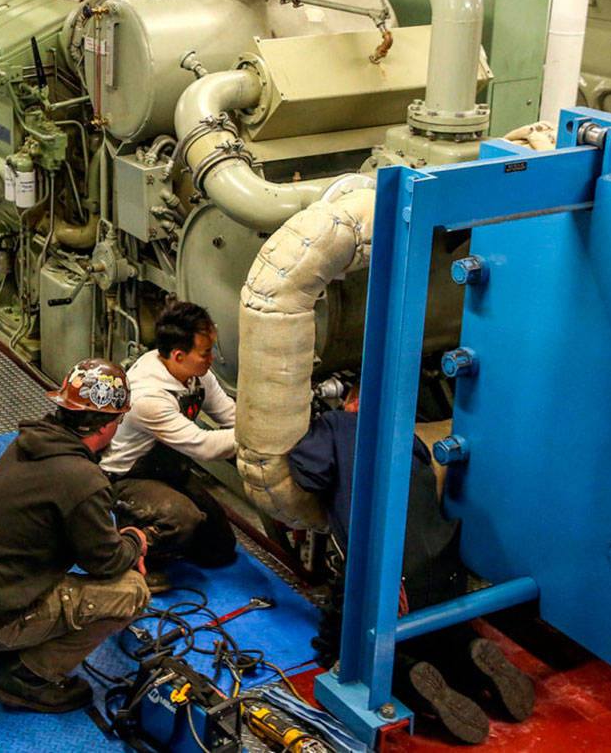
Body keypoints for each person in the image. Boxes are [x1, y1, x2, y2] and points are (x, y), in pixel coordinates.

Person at [289, 389, 534, 744]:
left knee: (337, 650)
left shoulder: (335, 425)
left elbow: (308, 474)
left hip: (390, 570)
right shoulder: (409, 437)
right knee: (434, 631)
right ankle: (470, 651)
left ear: (352, 403)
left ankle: (410, 674)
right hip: (444, 557)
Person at [0, 358, 152, 713]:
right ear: (108, 425)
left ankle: (13, 640)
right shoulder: (81, 478)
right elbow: (105, 562)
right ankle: (30, 676)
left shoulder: (31, 441)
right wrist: (134, 541)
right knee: (131, 593)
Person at [101, 301, 238, 580]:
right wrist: (262, 437)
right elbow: (204, 446)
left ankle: (165, 534)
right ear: (178, 355)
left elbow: (230, 416)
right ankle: (129, 551)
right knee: (183, 519)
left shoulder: (195, 374)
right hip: (125, 478)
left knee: (219, 549)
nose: (211, 358)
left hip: (167, 470)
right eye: (205, 353)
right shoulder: (149, 396)